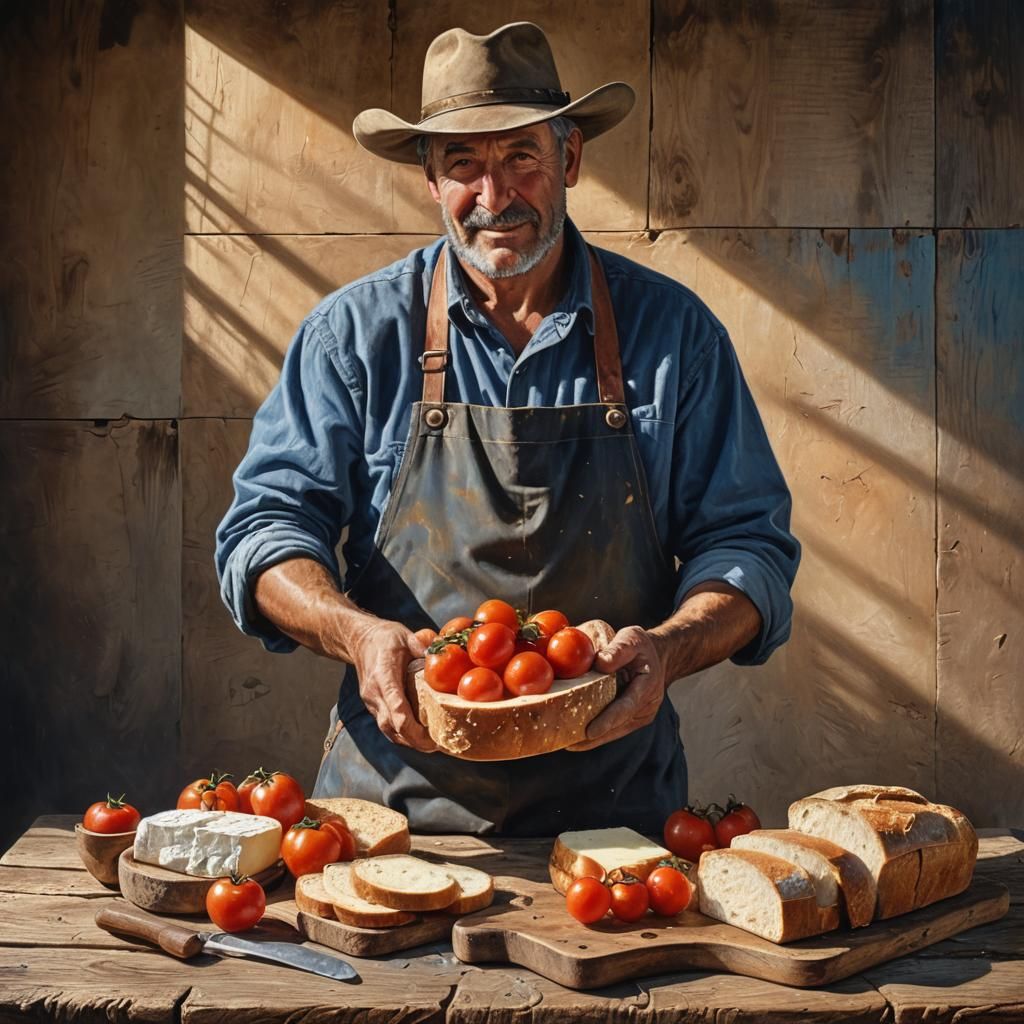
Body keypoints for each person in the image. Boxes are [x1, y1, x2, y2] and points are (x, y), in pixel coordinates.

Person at [215, 22, 800, 836]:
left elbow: (750, 548)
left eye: (521, 156)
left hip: (618, 822)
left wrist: (665, 648)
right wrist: (355, 634)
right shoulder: (352, 337)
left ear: (570, 160)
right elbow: (265, 531)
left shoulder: (676, 336)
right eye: (463, 164)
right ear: (429, 179)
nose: (495, 197)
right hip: (387, 814)